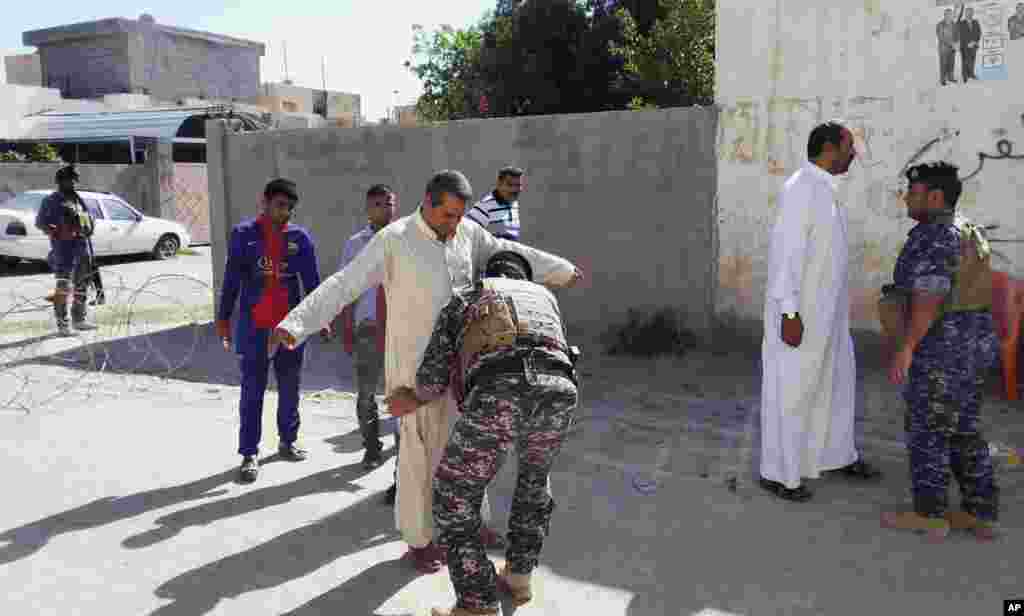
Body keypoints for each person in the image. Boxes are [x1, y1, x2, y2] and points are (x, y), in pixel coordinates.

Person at [271, 170, 583, 573]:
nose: (455, 224)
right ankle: (418, 541)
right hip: (414, 371)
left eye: (460, 216)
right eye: (449, 215)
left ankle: (476, 524)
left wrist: (560, 270)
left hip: (464, 366)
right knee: (418, 458)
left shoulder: (468, 234)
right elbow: (343, 285)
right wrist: (296, 324)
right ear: (428, 202)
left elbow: (506, 250)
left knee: (473, 452)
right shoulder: (394, 240)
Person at [387, 251, 580, 616]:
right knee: (534, 481)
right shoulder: (545, 299)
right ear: (524, 278)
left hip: (500, 388)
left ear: (488, 274)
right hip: (560, 390)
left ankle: (477, 603)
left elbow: (432, 379)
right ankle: (520, 577)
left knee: (453, 494)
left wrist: (408, 397)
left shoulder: (468, 296)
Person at [759, 121, 882, 502]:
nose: (853, 157)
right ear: (829, 148)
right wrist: (790, 312)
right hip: (800, 316)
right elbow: (787, 257)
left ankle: (834, 456)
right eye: (848, 148)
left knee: (836, 384)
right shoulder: (801, 190)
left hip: (829, 316)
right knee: (791, 392)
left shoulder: (824, 190)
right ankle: (780, 474)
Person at [881, 162, 1000, 542]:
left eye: (912, 193)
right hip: (975, 341)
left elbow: (929, 296)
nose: (906, 198)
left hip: (942, 345)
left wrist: (907, 348)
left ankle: (930, 515)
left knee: (927, 428)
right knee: (964, 427)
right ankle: (978, 512)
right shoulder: (970, 230)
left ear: (935, 196)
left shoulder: (934, 235)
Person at [215, 178, 325, 483]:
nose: (285, 212)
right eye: (280, 205)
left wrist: (321, 317)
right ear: (264, 202)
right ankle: (249, 452)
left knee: (290, 388)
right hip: (254, 329)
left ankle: (288, 440)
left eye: (290, 208)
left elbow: (313, 284)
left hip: (290, 329)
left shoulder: (300, 238)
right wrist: (223, 320)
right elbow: (231, 282)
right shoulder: (244, 235)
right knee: (253, 391)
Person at [337, 184, 399, 502]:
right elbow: (347, 289)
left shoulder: (407, 240)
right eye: (377, 204)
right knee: (365, 395)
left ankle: (404, 471)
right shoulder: (355, 245)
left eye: (388, 203)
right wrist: (346, 327)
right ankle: (372, 447)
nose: (384, 209)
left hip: (401, 332)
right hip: (369, 330)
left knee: (402, 400)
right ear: (367, 209)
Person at [34, 165, 97, 335]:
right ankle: (63, 324)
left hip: (82, 247)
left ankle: (79, 319)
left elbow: (87, 218)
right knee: (64, 286)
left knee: (82, 284)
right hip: (64, 250)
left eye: (75, 181)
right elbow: (40, 223)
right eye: (70, 181)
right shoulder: (51, 200)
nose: (74, 184)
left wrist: (89, 226)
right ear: (60, 181)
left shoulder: (78, 199)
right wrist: (57, 231)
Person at [466, 166, 524, 241]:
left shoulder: (514, 204)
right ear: (499, 184)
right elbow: (466, 232)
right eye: (510, 185)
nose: (514, 189)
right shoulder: (485, 206)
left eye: (518, 185)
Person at [958, 6, 981, 82]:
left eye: (971, 12)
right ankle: (965, 76)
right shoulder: (961, 23)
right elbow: (960, 35)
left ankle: (971, 74)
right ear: (965, 14)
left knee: (972, 60)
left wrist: (974, 42)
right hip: (965, 46)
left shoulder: (976, 22)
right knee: (965, 61)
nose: (969, 14)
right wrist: (967, 43)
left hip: (974, 45)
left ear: (973, 13)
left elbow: (979, 33)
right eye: (968, 12)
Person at [937, 8, 959, 86]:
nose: (949, 16)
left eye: (951, 14)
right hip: (943, 48)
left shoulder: (954, 24)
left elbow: (956, 35)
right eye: (948, 14)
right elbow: (941, 37)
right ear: (945, 15)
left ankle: (950, 77)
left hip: (952, 49)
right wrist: (951, 44)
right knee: (943, 64)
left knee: (951, 63)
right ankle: (942, 79)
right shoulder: (940, 24)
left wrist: (956, 44)